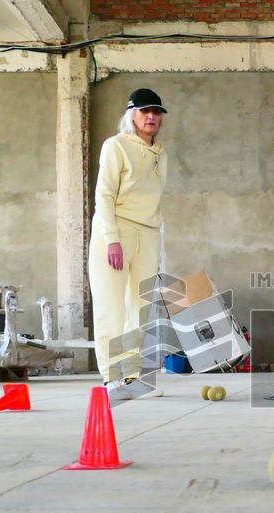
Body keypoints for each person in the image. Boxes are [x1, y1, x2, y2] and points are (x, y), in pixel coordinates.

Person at [89, 88, 169, 402]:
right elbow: (104, 196)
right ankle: (111, 378)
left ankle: (134, 378)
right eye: (145, 111)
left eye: (157, 112)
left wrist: (159, 246)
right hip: (116, 233)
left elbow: (155, 201)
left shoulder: (160, 152)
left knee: (140, 309)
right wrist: (112, 240)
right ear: (131, 114)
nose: (151, 117)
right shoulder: (115, 146)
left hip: (148, 234)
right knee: (111, 307)